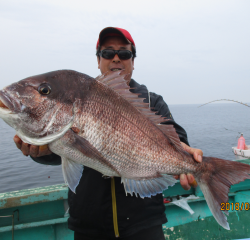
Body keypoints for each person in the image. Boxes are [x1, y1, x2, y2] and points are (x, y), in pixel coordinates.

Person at [13, 27, 203, 240]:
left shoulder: (152, 101)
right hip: (89, 227)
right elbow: (63, 151)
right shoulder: (79, 97)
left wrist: (184, 153)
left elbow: (176, 136)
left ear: (133, 60)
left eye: (124, 53)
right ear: (98, 59)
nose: (115, 58)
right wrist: (40, 151)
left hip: (145, 226)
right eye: (107, 53)